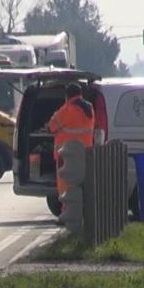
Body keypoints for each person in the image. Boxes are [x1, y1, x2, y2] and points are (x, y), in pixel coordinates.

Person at [48, 83, 95, 215]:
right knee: (83, 185)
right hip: (85, 153)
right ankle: (84, 213)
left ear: (67, 95)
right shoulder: (90, 108)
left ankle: (67, 213)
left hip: (66, 155)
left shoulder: (66, 110)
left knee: (65, 186)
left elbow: (51, 127)